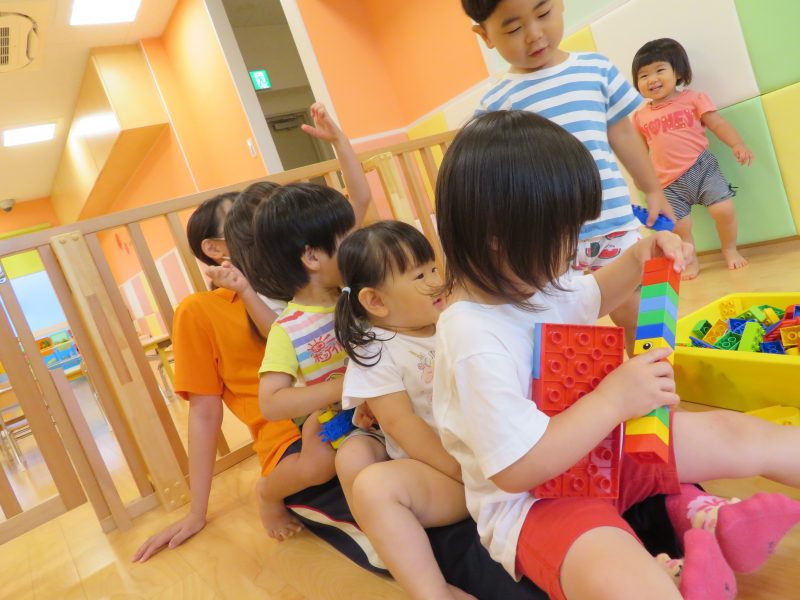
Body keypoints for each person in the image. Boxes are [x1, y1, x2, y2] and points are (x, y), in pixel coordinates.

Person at [431, 109, 800, 600]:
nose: (572, 249)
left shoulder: (535, 281)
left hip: (609, 454)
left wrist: (642, 255)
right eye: (562, 234)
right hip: (537, 503)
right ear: (498, 236)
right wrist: (612, 401)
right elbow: (516, 469)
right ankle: (674, 561)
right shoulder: (471, 338)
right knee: (617, 576)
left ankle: (688, 528)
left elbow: (596, 294)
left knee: (736, 433)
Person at [463, 0, 673, 353]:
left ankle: (655, 374)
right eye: (513, 28)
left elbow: (622, 134)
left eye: (543, 14)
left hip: (613, 221)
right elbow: (491, 178)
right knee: (565, 327)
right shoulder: (495, 104)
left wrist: (652, 188)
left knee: (636, 310)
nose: (534, 35)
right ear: (485, 35)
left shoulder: (595, 70)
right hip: (547, 243)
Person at [132, 191, 300, 563]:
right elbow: (205, 414)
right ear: (213, 248)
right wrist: (196, 511)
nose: (261, 226)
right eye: (243, 220)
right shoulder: (200, 311)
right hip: (292, 444)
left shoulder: (299, 280)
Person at [333, 221, 475, 599]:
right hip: (445, 472)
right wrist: (458, 470)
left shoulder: (454, 317)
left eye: (434, 268)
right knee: (371, 483)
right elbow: (399, 422)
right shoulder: (376, 348)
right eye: (420, 275)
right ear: (376, 302)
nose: (437, 281)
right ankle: (431, 589)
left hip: (494, 455)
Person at [253, 102, 375, 541]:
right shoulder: (290, 328)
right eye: (347, 240)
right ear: (312, 256)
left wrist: (340, 143)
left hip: (377, 401)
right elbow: (271, 403)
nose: (358, 244)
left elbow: (360, 199)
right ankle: (267, 494)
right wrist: (342, 388)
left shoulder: (353, 289)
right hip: (331, 415)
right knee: (319, 466)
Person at [632, 38, 754, 278]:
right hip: (667, 182)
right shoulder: (639, 117)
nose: (652, 79)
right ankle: (690, 261)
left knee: (724, 210)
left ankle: (730, 249)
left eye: (659, 70)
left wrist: (737, 144)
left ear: (678, 72)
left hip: (702, 168)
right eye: (643, 75)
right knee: (680, 227)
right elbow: (639, 153)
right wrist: (642, 179)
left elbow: (717, 124)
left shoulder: (693, 99)